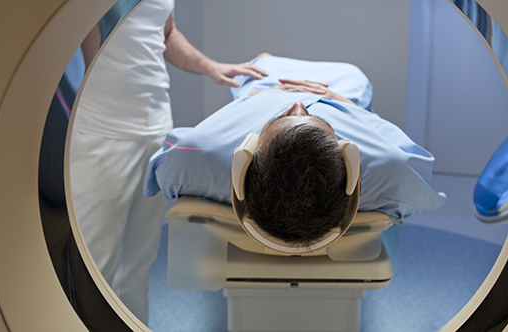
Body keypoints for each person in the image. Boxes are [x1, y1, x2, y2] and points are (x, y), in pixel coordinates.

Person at [70, 0, 267, 325]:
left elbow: (166, 33)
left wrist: (210, 66)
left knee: (138, 260)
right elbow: (79, 38)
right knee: (95, 261)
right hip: (103, 131)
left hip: (155, 128)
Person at [144, 54, 447, 245]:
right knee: (353, 72)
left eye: (287, 116)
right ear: (346, 155)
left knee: (261, 62)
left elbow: (161, 169)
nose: (299, 104)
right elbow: (426, 190)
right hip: (340, 86)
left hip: (265, 85)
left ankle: (266, 61)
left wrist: (261, 100)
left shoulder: (200, 153)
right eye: (312, 119)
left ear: (250, 151)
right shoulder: (389, 168)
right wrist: (345, 104)